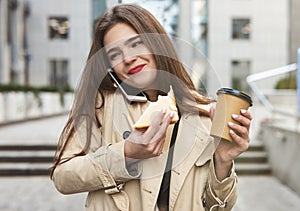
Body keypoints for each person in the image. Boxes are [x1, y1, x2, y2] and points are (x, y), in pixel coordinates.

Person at [50, 4, 252, 211]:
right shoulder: (100, 104)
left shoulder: (204, 113)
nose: (128, 58)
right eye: (115, 54)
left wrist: (223, 160)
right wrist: (126, 153)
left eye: (137, 44)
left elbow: (219, 207)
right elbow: (62, 177)